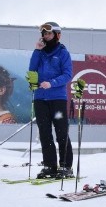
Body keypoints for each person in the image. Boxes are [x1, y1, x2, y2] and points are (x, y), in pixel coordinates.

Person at [27, 22, 74, 179]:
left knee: (61, 132)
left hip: (57, 99)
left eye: (49, 34)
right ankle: (50, 166)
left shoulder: (63, 53)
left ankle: (66, 166)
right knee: (44, 133)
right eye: (44, 34)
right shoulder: (39, 53)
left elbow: (67, 75)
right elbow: (32, 70)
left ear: (56, 35)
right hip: (40, 99)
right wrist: (36, 50)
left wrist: (52, 83)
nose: (45, 36)